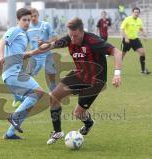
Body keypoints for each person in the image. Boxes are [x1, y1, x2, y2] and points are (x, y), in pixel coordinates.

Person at [24, 17, 123, 145]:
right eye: (70, 35)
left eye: (75, 36)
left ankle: (88, 123)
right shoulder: (69, 38)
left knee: (78, 113)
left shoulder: (92, 40)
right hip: (79, 74)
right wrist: (31, 53)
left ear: (82, 31)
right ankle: (57, 132)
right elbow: (50, 46)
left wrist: (117, 74)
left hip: (95, 81)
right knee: (53, 96)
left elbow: (117, 52)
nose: (72, 39)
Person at [0, 8, 44, 140]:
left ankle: (10, 133)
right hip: (12, 73)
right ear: (18, 20)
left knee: (31, 100)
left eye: (29, 20)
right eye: (24, 20)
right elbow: (1, 42)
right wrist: (1, 56)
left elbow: (20, 55)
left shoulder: (24, 36)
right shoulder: (14, 30)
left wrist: (34, 51)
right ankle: (14, 117)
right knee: (38, 93)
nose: (27, 22)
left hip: (16, 72)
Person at [12, 8, 58, 108]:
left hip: (47, 55)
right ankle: (19, 97)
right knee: (26, 78)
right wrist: (23, 53)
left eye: (35, 16)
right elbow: (25, 42)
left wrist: (45, 42)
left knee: (51, 77)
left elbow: (55, 39)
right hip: (35, 57)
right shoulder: (27, 28)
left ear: (38, 15)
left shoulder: (46, 25)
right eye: (31, 17)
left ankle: (55, 97)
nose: (33, 18)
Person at [121, 7, 151, 75]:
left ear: (139, 13)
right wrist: (125, 38)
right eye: (135, 12)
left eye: (138, 12)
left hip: (135, 40)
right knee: (121, 56)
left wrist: (144, 35)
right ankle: (117, 70)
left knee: (142, 53)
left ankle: (143, 70)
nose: (136, 13)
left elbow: (141, 28)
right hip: (127, 40)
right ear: (132, 12)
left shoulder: (139, 20)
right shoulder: (127, 19)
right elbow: (122, 29)